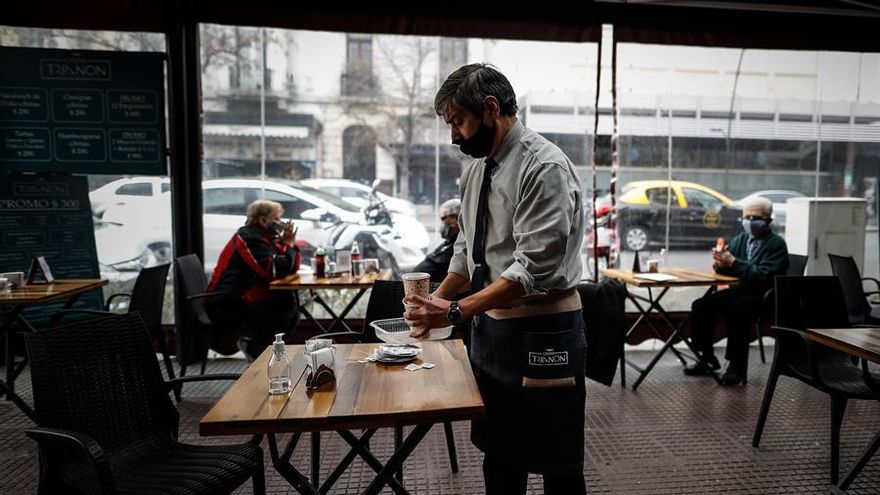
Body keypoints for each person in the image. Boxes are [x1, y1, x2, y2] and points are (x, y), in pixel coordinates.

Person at [403, 63, 587, 495]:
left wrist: (452, 310)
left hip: (544, 331)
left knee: (557, 463)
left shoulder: (544, 168)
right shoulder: (477, 170)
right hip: (491, 331)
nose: (453, 136)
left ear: (489, 109)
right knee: (500, 458)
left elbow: (530, 270)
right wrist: (434, 305)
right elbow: (466, 250)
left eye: (458, 122)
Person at [685, 196, 789, 386]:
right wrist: (720, 263)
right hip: (740, 291)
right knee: (701, 306)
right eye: (746, 217)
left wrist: (733, 263)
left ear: (768, 221)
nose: (750, 222)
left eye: (755, 217)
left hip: (763, 296)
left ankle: (736, 366)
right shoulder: (741, 240)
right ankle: (706, 357)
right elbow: (730, 267)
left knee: (738, 311)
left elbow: (763, 276)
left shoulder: (776, 245)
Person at [205, 199, 301, 361]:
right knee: (284, 309)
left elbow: (291, 267)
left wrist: (289, 245)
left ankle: (261, 351)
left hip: (245, 298)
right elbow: (275, 270)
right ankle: (259, 351)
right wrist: (288, 245)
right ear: (263, 220)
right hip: (226, 303)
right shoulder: (249, 237)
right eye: (277, 219)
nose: (281, 223)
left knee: (290, 306)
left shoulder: (266, 237)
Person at [411, 198, 461, 282]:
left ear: (455, 218)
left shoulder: (461, 245)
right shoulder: (449, 241)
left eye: (443, 218)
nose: (442, 223)